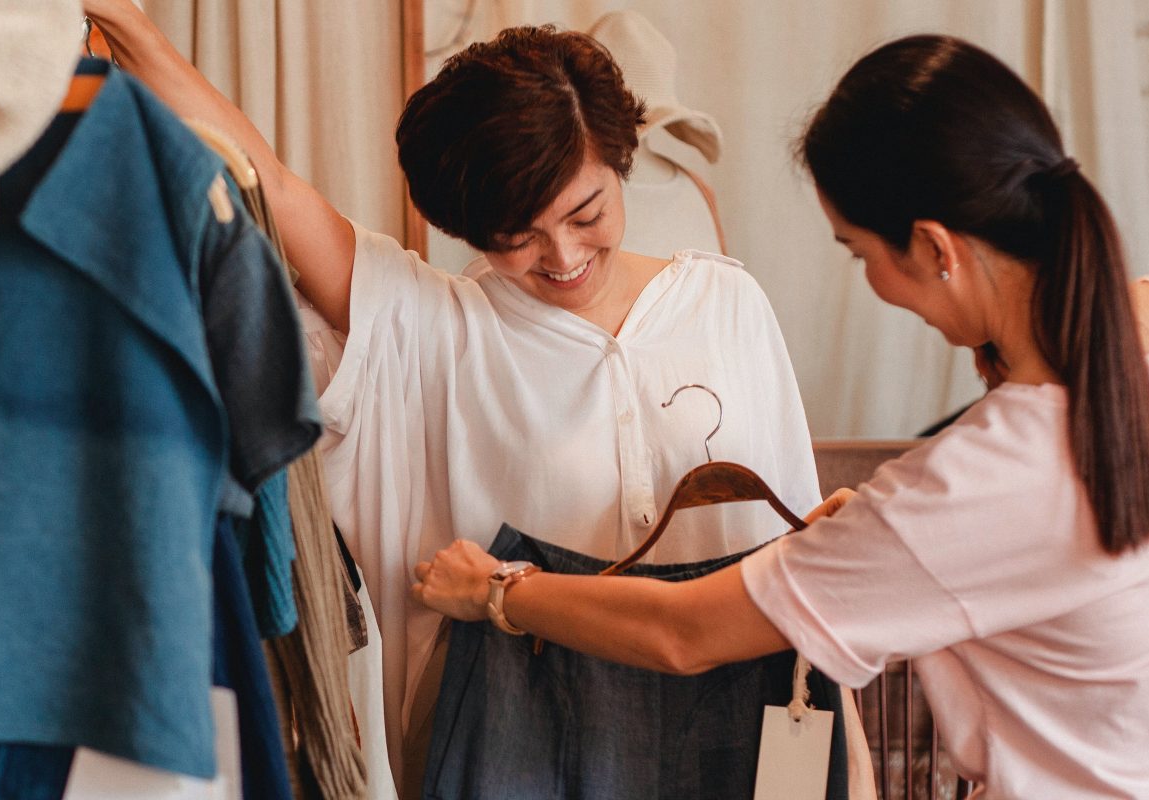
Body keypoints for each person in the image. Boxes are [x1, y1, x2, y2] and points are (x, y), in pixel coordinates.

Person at [414, 34, 1149, 799]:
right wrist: (879, 543)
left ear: (937, 250)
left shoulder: (974, 481)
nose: (873, 285)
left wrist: (498, 591)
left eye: (858, 254)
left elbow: (681, 635)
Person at [83, 1, 825, 790]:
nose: (563, 255)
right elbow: (263, 175)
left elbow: (802, 556)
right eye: (517, 238)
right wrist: (126, 25)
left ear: (621, 161)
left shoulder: (726, 304)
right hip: (528, 744)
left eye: (586, 213)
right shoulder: (438, 329)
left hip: (731, 724)